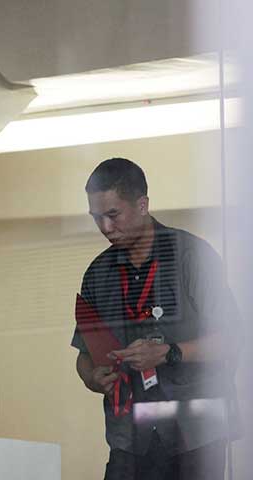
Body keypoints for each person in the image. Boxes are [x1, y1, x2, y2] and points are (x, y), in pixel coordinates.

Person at [71, 158, 240, 479]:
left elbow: (232, 339)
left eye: (113, 215)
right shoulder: (98, 273)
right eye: (96, 217)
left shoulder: (191, 256)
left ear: (142, 205)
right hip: (130, 435)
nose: (105, 227)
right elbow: (83, 356)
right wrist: (92, 377)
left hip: (195, 432)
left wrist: (170, 352)